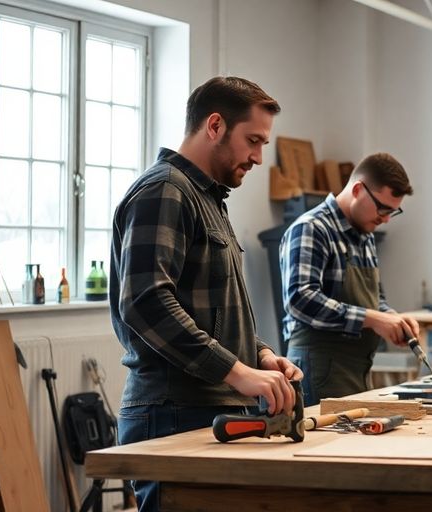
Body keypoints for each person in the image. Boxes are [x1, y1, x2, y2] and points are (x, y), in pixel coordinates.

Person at [110, 76, 301, 511]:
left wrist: (261, 356)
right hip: (173, 410)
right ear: (214, 125)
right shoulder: (166, 191)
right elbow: (145, 302)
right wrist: (237, 371)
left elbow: (214, 310)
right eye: (252, 140)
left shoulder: (209, 199)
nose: (257, 156)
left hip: (207, 407)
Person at [280, 153, 418, 406]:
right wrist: (373, 318)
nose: (386, 219)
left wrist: (393, 319)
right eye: (383, 208)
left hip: (357, 371)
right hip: (318, 370)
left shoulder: (364, 234)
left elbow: (376, 299)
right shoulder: (311, 228)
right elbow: (300, 299)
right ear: (357, 189)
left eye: (393, 211)